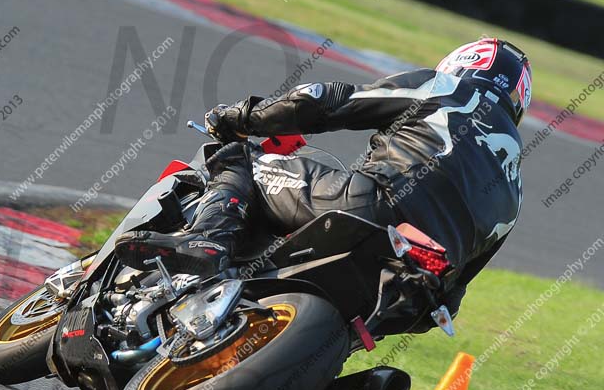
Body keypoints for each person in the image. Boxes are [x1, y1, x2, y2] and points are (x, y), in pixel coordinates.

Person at [115, 38, 531, 318]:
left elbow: (325, 101)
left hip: (374, 205)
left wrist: (243, 117)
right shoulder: (515, 188)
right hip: (419, 287)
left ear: (462, 64)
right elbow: (455, 295)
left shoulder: (447, 89)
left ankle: (205, 242)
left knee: (238, 158)